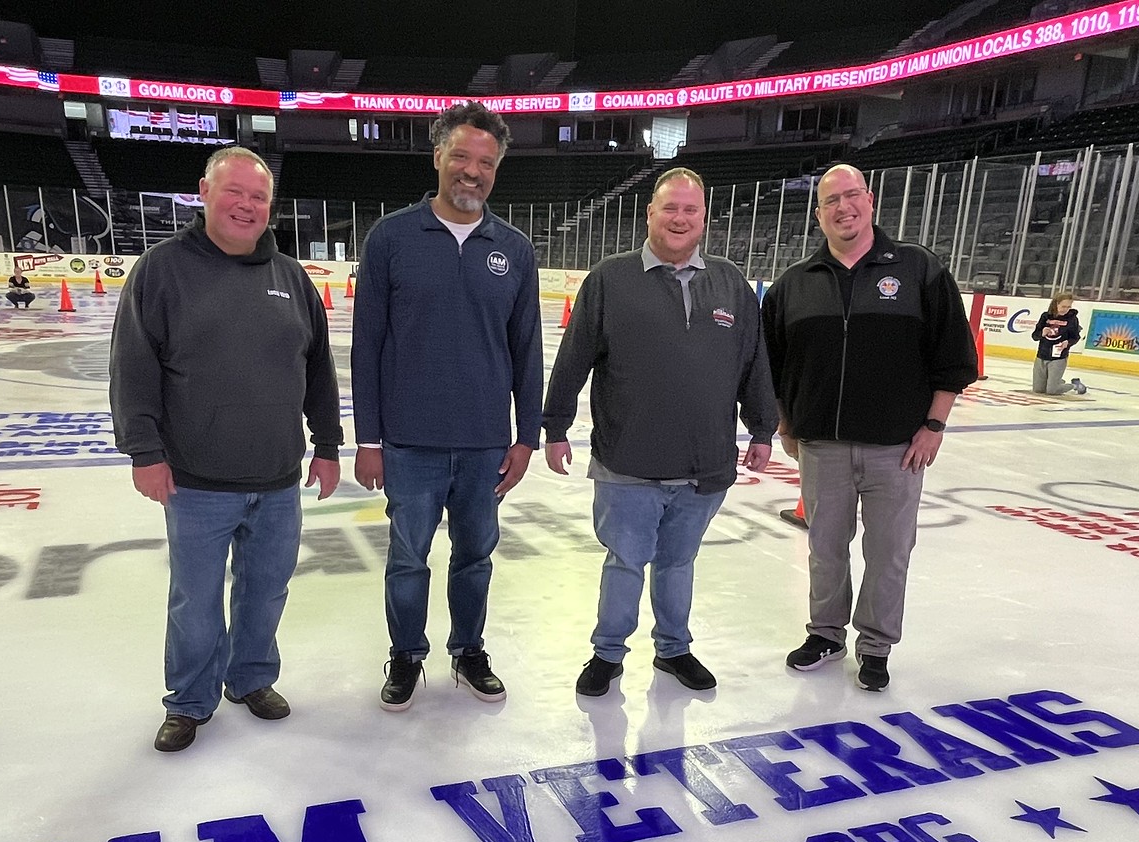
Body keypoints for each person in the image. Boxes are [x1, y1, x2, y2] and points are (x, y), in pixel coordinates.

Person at [110, 146, 342, 753]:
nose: (246, 205)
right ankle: (189, 701)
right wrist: (144, 451)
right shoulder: (162, 270)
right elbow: (132, 368)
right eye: (234, 191)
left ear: (271, 207)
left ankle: (251, 679)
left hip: (276, 477)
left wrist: (327, 444)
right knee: (195, 602)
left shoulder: (292, 278)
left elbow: (317, 370)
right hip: (195, 480)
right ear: (204, 193)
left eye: (258, 196)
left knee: (267, 589)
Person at [543, 167, 777, 697]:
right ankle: (608, 654)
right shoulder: (610, 278)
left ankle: (674, 649)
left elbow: (752, 361)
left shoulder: (731, 284)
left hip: (705, 462)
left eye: (690, 210)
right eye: (669, 208)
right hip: (628, 458)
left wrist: (762, 427)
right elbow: (574, 356)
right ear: (649, 213)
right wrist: (555, 425)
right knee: (625, 562)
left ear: (704, 218)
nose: (679, 218)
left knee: (678, 562)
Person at [351, 101, 543, 712]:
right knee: (408, 558)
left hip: (486, 441)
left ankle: (468, 649)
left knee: (475, 556)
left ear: (497, 170)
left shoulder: (512, 248)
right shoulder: (392, 237)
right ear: (438, 157)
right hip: (410, 442)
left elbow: (527, 350)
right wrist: (369, 439)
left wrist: (525, 437)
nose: (472, 171)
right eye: (460, 156)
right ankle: (407, 654)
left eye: (486, 162)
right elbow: (367, 345)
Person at [762, 163, 978, 693]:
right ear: (818, 214)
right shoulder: (795, 283)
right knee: (826, 547)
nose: (843, 208)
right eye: (831, 200)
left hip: (899, 447)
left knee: (888, 550)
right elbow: (772, 364)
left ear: (871, 200)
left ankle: (877, 644)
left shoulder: (917, 268)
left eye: (851, 196)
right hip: (822, 446)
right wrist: (787, 423)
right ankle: (826, 634)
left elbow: (953, 355)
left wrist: (934, 424)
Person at [1030, 291, 1087, 395]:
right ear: (1056, 304)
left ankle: (1075, 385)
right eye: (1063, 306)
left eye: (1068, 307)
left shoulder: (1072, 319)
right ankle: (1057, 382)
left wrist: (1068, 343)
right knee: (1038, 390)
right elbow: (1034, 336)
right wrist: (1041, 333)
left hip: (1058, 358)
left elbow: (1075, 337)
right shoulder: (1046, 316)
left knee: (1052, 391)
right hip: (1042, 356)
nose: (1065, 309)